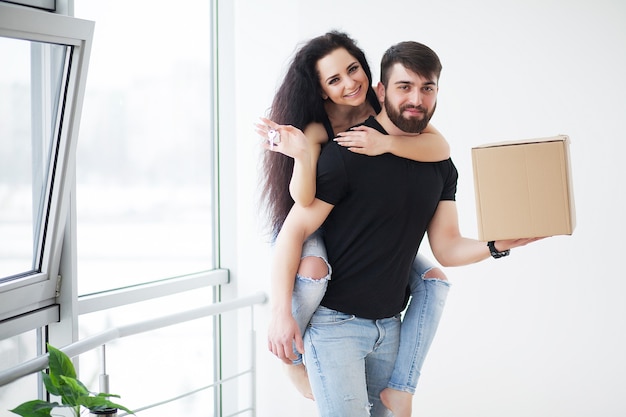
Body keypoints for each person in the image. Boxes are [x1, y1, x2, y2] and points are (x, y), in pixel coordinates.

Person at [267, 39, 541, 417]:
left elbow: (446, 247)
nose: (417, 98)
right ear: (381, 91)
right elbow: (294, 231)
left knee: (434, 278)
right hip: (335, 327)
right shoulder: (346, 152)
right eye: (404, 87)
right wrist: (281, 314)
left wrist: (496, 244)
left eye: (426, 88)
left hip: (389, 326)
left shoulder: (440, 164)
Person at [258, 31, 450, 415]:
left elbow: (440, 148)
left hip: (362, 234)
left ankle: (403, 387)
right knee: (314, 270)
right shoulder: (317, 129)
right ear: (322, 91)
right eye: (334, 80)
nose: (349, 83)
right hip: (318, 226)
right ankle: (292, 358)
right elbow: (303, 199)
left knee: (434, 281)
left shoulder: (384, 109)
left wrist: (387, 144)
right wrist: (300, 155)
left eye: (353, 69)